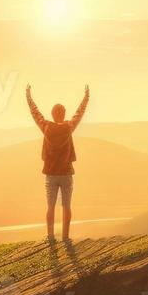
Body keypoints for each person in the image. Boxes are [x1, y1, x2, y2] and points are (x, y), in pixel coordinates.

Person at [26, 83, 89, 242]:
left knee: (51, 207)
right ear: (63, 114)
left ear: (53, 114)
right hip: (66, 173)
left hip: (51, 174)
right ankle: (66, 237)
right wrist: (86, 97)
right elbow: (79, 114)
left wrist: (28, 96)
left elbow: (35, 113)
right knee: (66, 207)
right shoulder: (68, 127)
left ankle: (50, 236)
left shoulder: (46, 126)